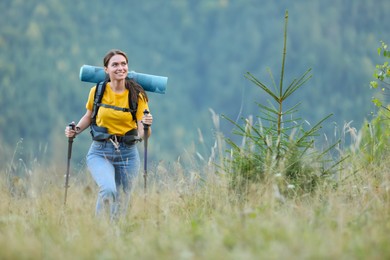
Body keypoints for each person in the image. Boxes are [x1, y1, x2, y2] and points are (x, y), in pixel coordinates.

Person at [65, 49, 153, 221]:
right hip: (100, 151)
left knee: (122, 200)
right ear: (106, 69)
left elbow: (143, 132)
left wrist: (147, 126)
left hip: (128, 153)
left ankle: (114, 239)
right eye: (115, 65)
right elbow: (89, 116)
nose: (120, 68)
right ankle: (99, 231)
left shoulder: (137, 95)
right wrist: (74, 130)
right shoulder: (97, 91)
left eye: (123, 64)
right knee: (108, 189)